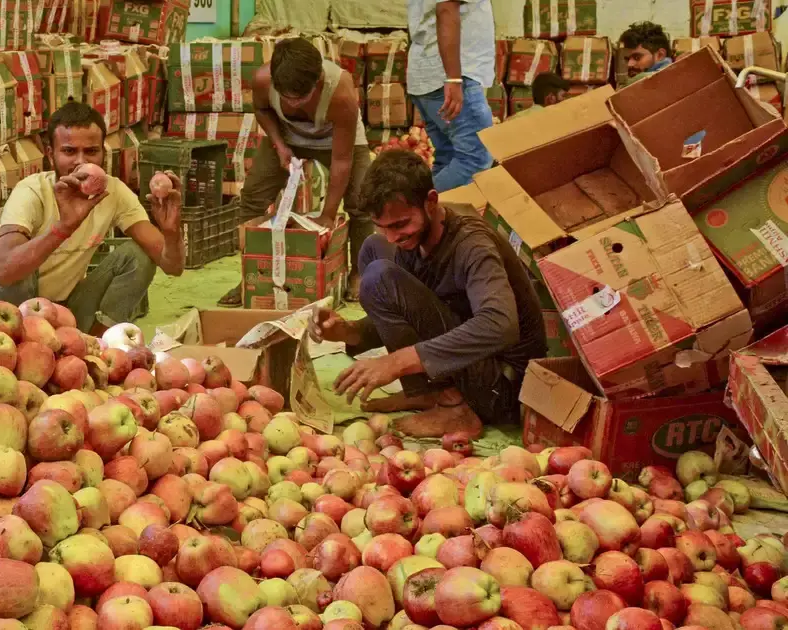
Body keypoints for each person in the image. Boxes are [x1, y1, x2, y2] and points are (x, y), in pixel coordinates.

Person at [312, 150, 546, 438]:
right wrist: (348, 332)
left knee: (378, 277)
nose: (393, 236)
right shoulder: (411, 240)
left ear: (431, 202)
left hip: (503, 384)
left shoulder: (472, 246)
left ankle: (454, 407)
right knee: (374, 250)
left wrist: (398, 361)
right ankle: (427, 392)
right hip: (466, 361)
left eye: (400, 224)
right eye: (384, 226)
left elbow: (500, 325)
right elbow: (414, 315)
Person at [0, 102, 184, 335]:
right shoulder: (31, 191)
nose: (81, 161)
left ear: (103, 154)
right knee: (23, 261)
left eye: (90, 151)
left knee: (139, 255)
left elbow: (173, 266)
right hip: (15, 314)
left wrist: (171, 232)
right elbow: (5, 272)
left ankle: (97, 344)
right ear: (51, 155)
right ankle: (19, 343)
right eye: (69, 151)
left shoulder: (114, 192)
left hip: (68, 309)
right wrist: (63, 228)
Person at [217, 37, 370, 306]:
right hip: (287, 137)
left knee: (361, 201)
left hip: (336, 139)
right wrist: (278, 145)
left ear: (319, 80)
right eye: (288, 97)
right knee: (252, 195)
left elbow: (342, 160)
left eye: (303, 97)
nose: (295, 104)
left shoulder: (341, 93)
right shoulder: (263, 81)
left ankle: (359, 273)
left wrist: (328, 215)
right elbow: (262, 109)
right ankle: (251, 276)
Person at [407, 0, 496, 193]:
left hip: (429, 73)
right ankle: (415, 210)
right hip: (450, 74)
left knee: (449, 157)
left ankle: (436, 221)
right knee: (476, 158)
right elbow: (446, 9)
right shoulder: (453, 77)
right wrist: (454, 78)